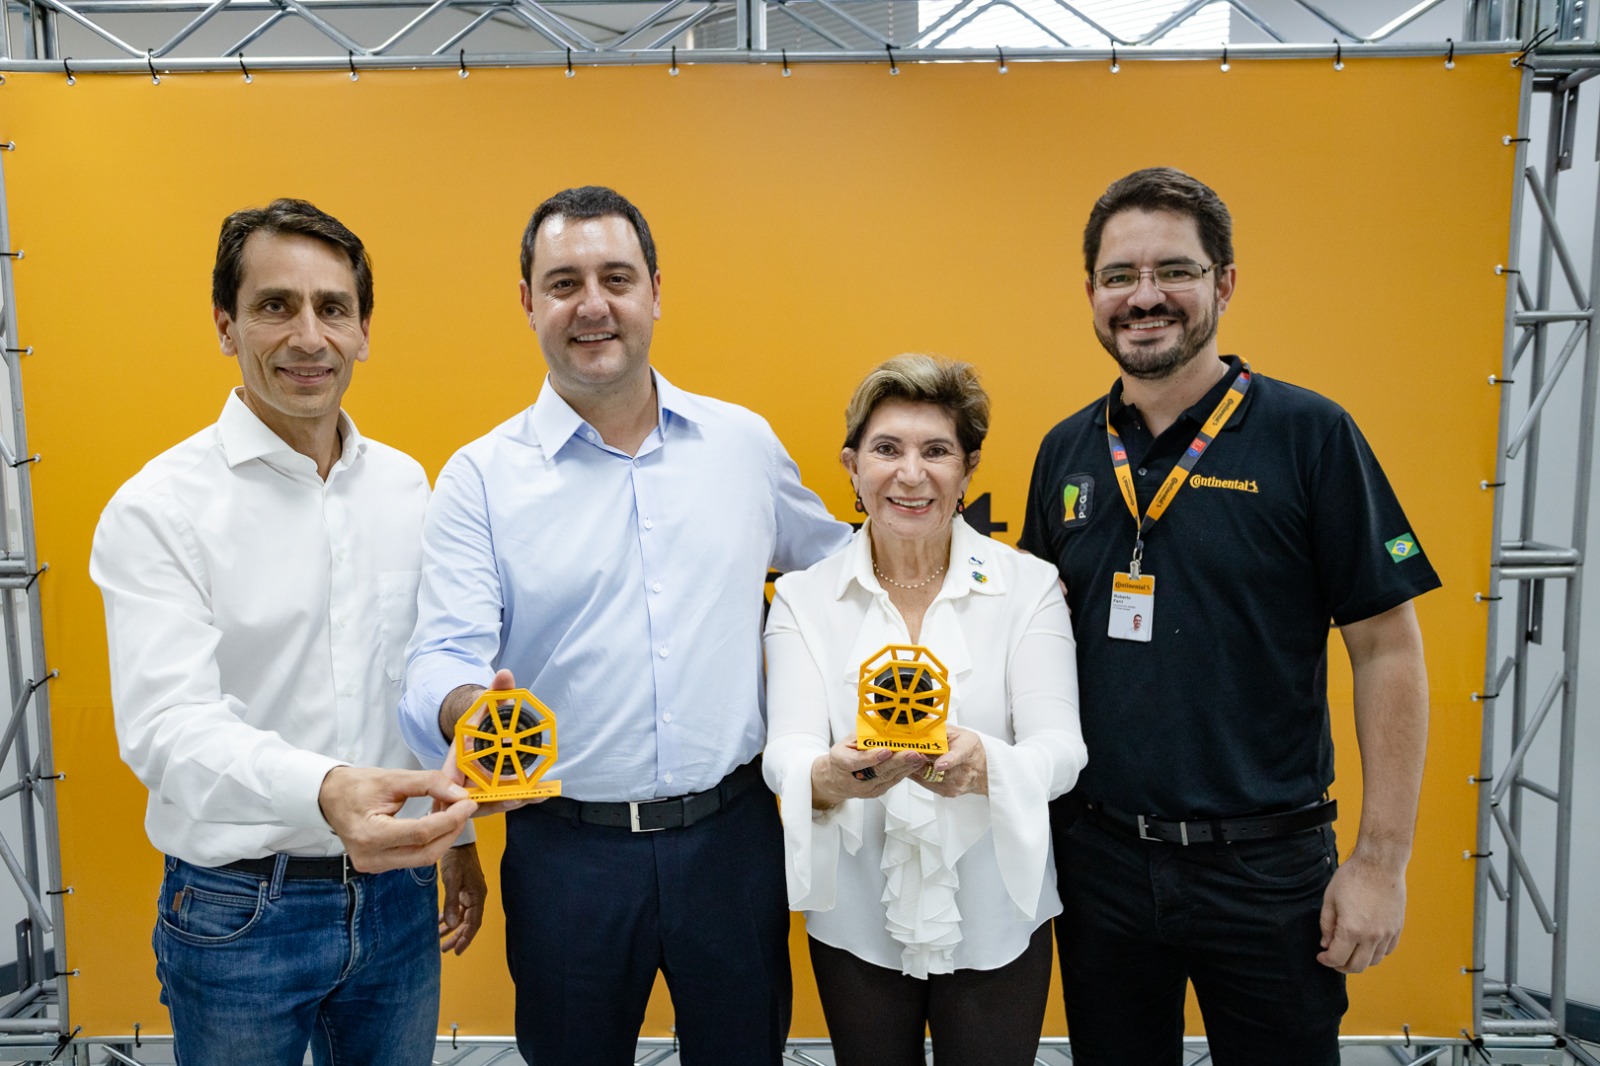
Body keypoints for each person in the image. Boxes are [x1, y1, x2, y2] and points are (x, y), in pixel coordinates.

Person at [397, 185, 852, 1066]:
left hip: (733, 840)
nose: (593, 305)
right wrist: (467, 711)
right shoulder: (480, 478)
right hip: (567, 855)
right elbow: (441, 655)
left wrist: (983, 582)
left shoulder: (741, 446)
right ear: (527, 301)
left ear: (655, 291)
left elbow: (841, 572)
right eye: (564, 283)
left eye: (616, 278)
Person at [1019, 167, 1439, 1065]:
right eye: (1120, 276)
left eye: (1174, 270)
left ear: (1225, 282)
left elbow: (1387, 650)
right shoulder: (1066, 451)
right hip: (1100, 864)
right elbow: (1035, 651)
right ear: (1091, 294)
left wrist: (1380, 862)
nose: (1145, 297)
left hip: (1267, 871)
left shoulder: (1311, 435)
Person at [90, 198, 487, 1066]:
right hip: (239, 912)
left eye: (332, 308)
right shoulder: (158, 509)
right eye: (276, 306)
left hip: (398, 899)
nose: (309, 336)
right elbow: (167, 729)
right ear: (225, 325)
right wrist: (326, 788)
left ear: (363, 331)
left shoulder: (406, 488)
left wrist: (456, 836)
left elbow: (415, 680)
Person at [763, 354, 1086, 1066]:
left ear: (968, 470)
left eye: (936, 451)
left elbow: (1061, 747)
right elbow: (786, 747)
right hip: (856, 919)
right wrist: (829, 775)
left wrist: (985, 766)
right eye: (887, 449)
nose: (911, 475)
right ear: (852, 467)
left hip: (999, 915)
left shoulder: (1028, 587)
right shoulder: (803, 599)